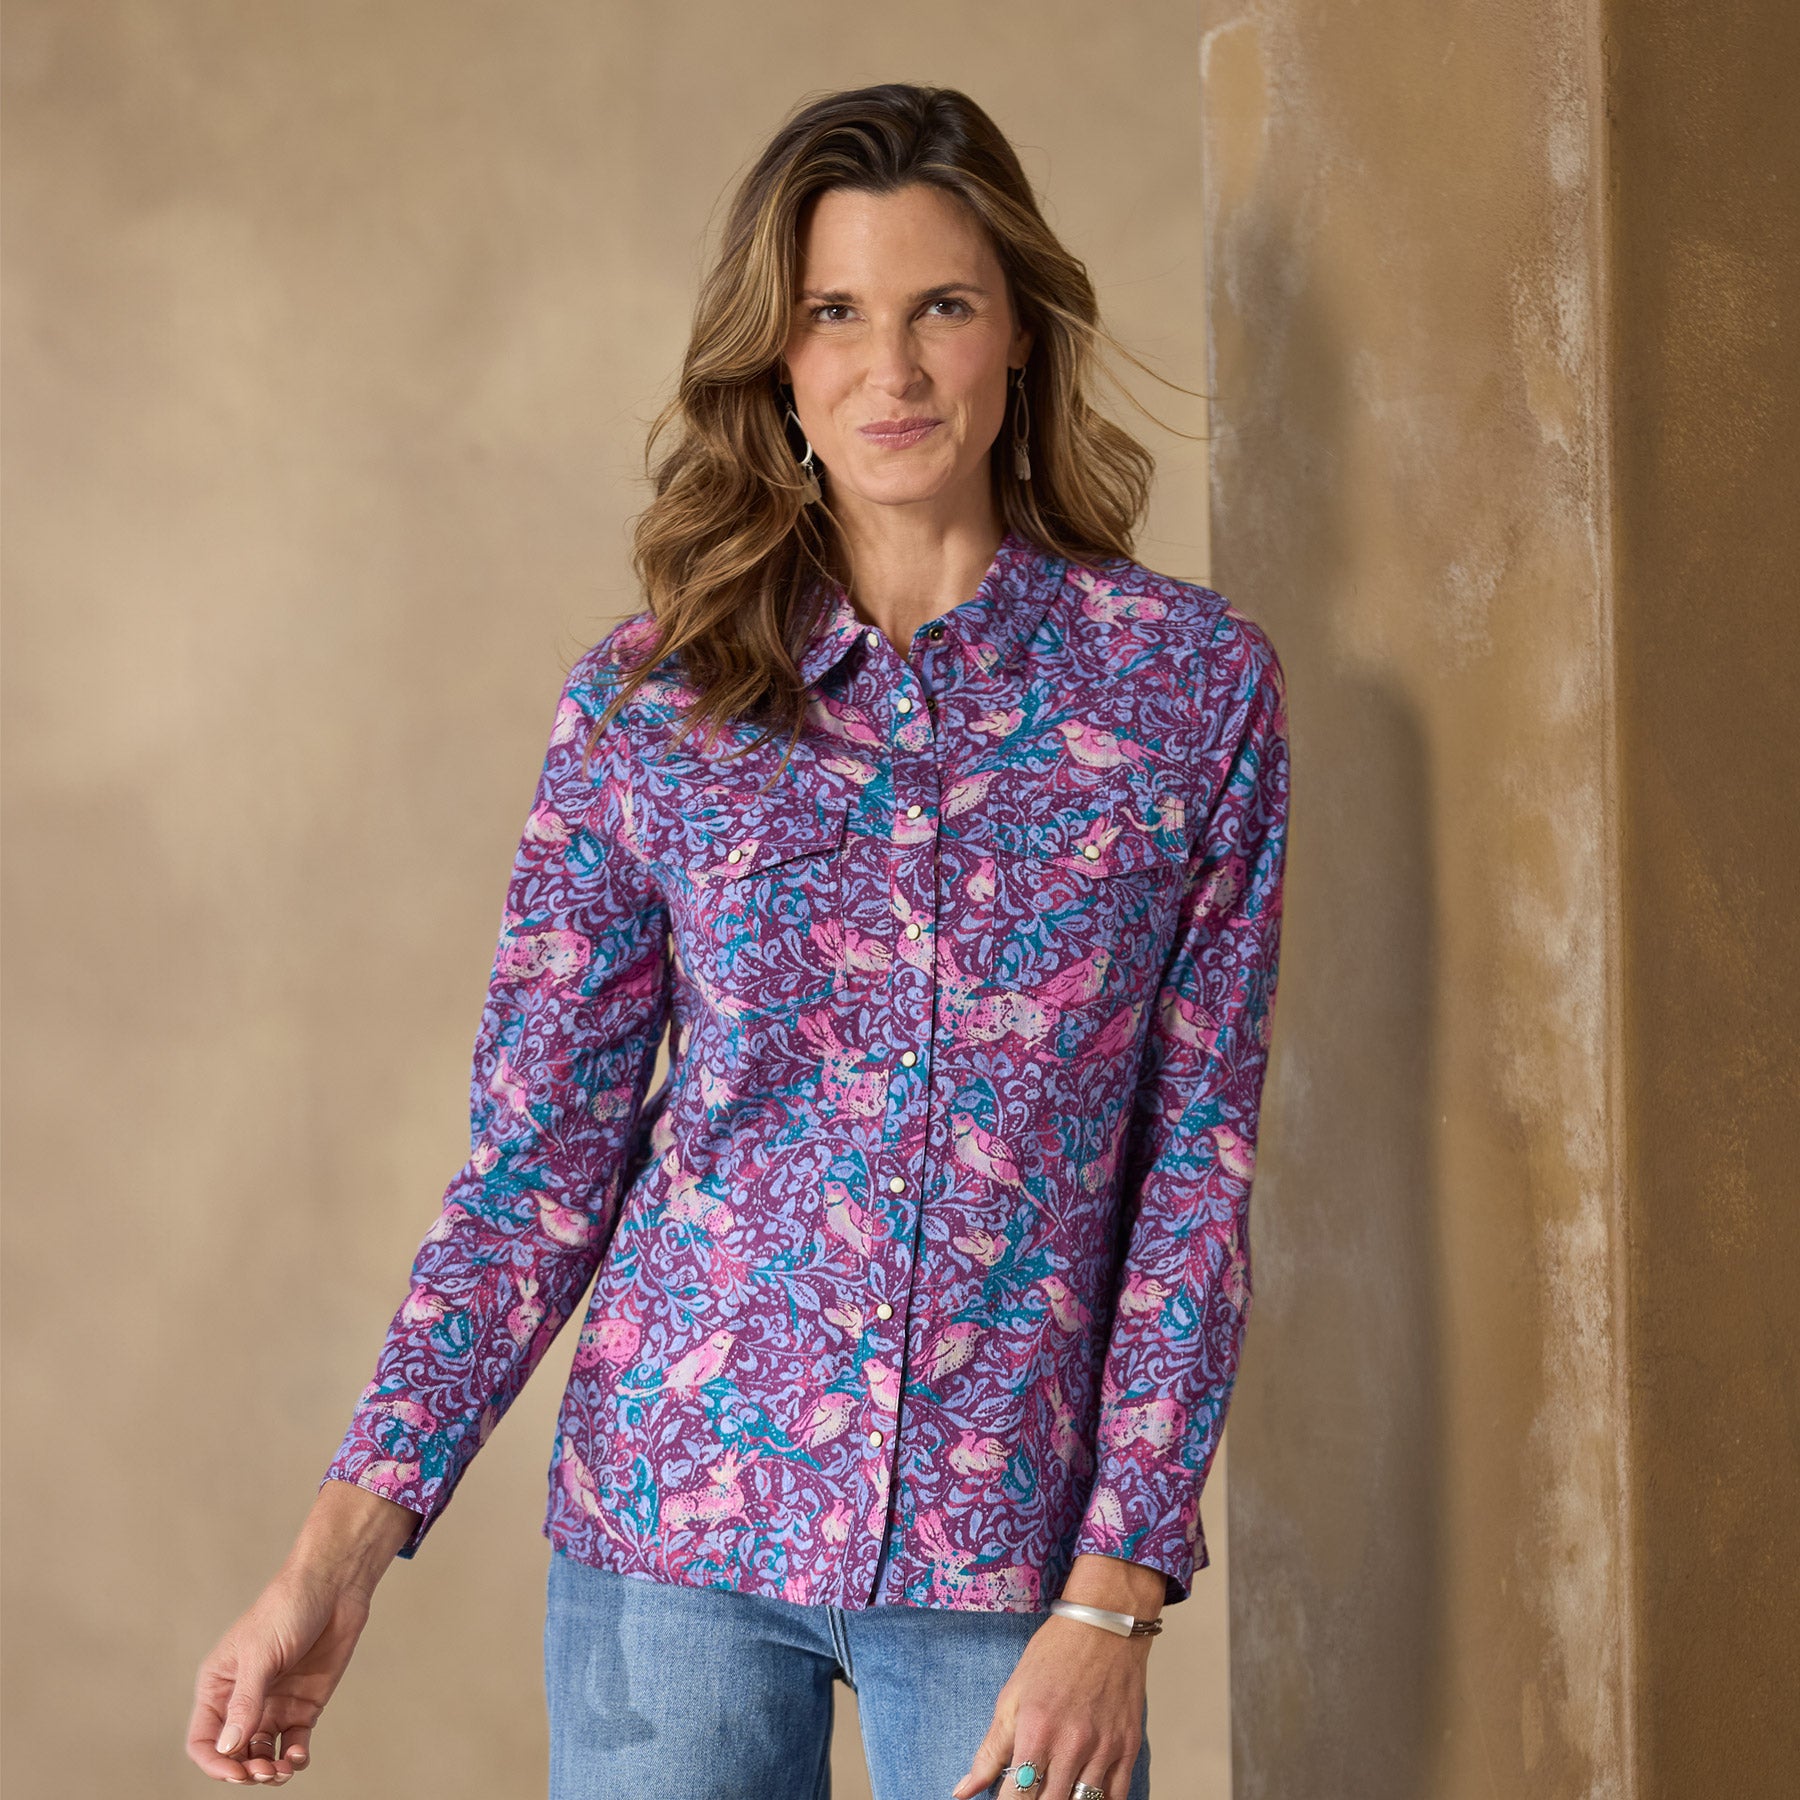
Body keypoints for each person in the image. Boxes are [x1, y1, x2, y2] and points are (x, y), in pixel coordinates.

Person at [186, 81, 1290, 1800]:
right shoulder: (650, 706)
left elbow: (1194, 1172)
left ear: (1019, 333)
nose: (891, 369)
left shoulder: (1188, 691)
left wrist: (1116, 1594)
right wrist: (336, 1558)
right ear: (776, 358)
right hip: (668, 1531)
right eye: (835, 313)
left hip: (1009, 1559)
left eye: (941, 305)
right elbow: (535, 1169)